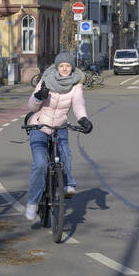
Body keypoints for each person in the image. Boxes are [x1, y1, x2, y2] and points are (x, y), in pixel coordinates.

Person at [25, 52, 93, 221]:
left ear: (72, 68)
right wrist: (38, 97)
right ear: (57, 67)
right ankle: (33, 202)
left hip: (60, 126)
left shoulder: (76, 85)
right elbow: (31, 106)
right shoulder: (46, 80)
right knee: (40, 163)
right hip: (39, 125)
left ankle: (68, 185)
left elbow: (78, 104)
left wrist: (83, 119)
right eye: (61, 65)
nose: (64, 68)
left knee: (65, 153)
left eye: (68, 66)